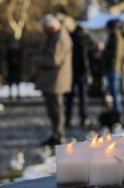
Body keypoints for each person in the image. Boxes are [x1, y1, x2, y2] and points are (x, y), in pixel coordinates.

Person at [33, 14, 72, 146]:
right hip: (52, 81)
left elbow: (54, 60)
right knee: (53, 110)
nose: (44, 31)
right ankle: (56, 134)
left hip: (56, 81)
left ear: (51, 27)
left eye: (45, 28)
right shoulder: (55, 37)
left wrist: (37, 59)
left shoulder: (59, 38)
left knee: (56, 110)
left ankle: (59, 136)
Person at [64, 26, 91, 128]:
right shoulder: (83, 41)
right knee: (82, 98)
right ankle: (84, 118)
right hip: (81, 73)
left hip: (71, 72)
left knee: (70, 98)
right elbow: (86, 59)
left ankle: (68, 119)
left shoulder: (70, 39)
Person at [103, 19, 124, 113]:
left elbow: (115, 53)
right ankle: (115, 110)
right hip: (113, 67)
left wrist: (103, 52)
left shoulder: (115, 37)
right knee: (113, 91)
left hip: (113, 68)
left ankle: (117, 111)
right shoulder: (116, 36)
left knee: (114, 91)